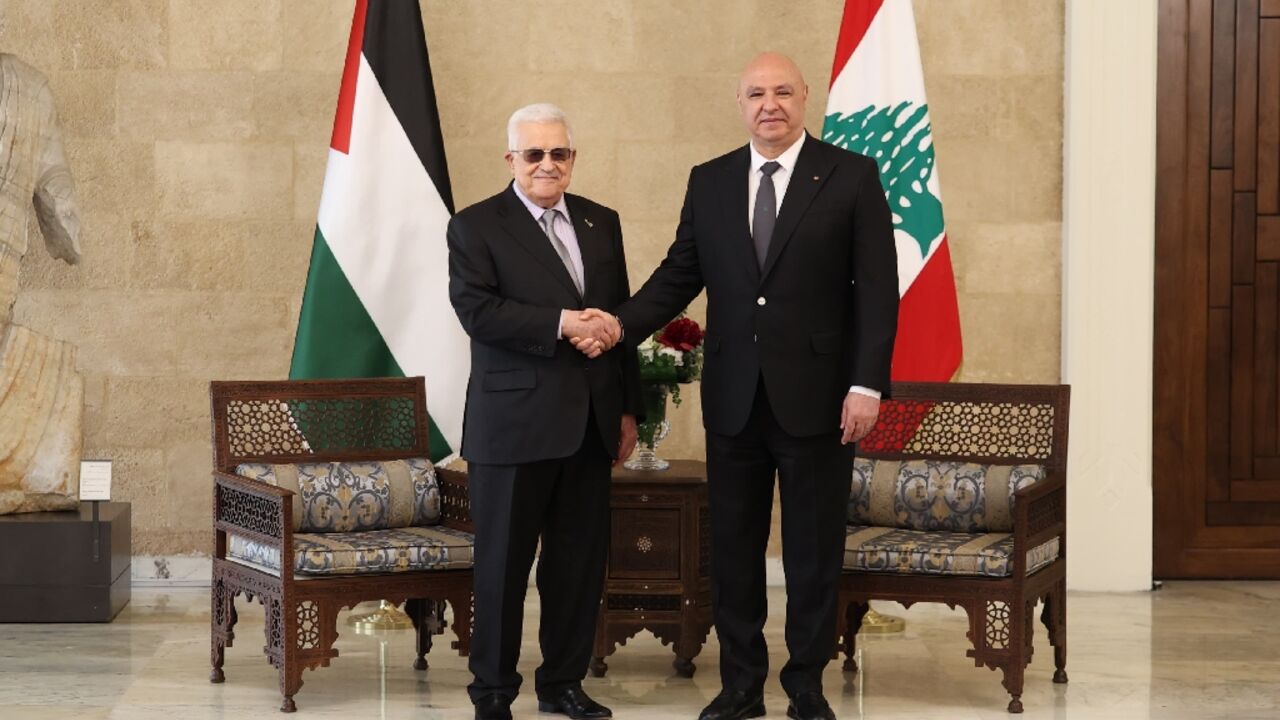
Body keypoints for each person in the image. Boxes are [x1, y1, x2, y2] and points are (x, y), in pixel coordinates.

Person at [573, 53, 898, 720]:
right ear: (740, 102)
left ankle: (805, 683)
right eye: (756, 93)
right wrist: (614, 327)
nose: (769, 103)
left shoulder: (851, 176)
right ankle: (742, 684)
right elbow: (677, 275)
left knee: (811, 552)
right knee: (735, 551)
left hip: (820, 397)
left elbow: (879, 291)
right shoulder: (712, 179)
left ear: (806, 97)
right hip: (734, 397)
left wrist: (867, 384)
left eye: (782, 91)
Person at [447, 102, 640, 720]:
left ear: (572, 159)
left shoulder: (600, 222)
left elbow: (621, 319)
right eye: (534, 154)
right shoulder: (476, 226)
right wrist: (562, 324)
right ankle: (494, 694)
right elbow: (478, 312)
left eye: (559, 153)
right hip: (512, 428)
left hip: (590, 424)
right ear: (512, 160)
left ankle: (562, 685)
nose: (547, 164)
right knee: (502, 569)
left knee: (577, 567)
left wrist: (628, 411)